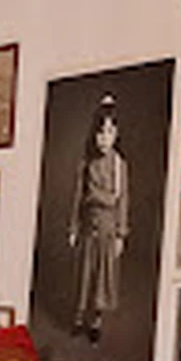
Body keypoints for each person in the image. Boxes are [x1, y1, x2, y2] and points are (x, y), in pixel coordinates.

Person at [68, 94, 130, 343]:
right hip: (88, 227)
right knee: (84, 275)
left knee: (102, 279)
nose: (104, 138)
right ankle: (78, 318)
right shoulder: (87, 163)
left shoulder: (119, 165)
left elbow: (122, 200)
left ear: (116, 134)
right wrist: (73, 228)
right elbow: (78, 196)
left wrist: (121, 233)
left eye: (109, 133)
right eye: (100, 133)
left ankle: (96, 322)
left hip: (108, 228)